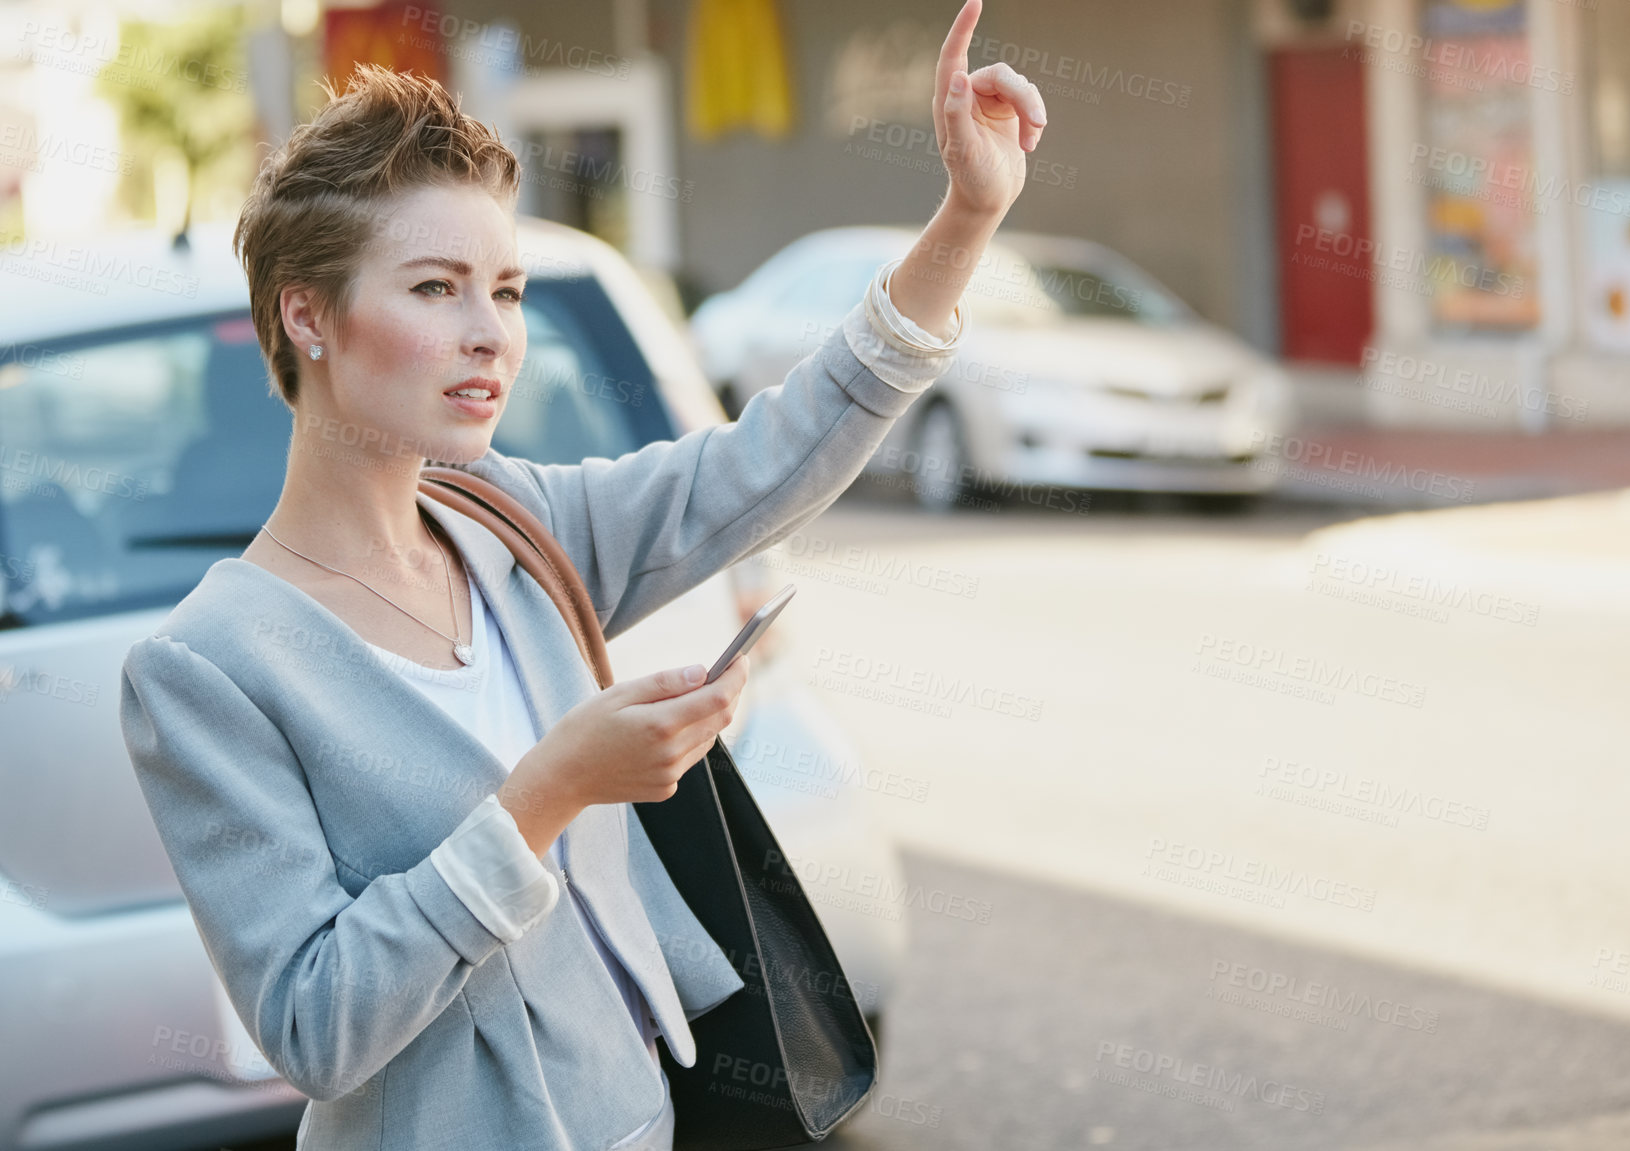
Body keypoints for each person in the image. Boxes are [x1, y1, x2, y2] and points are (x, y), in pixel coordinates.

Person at [117, 2, 1045, 1147]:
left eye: (504, 290)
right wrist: (547, 792)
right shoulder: (207, 666)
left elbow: (767, 462)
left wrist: (966, 214)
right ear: (306, 314)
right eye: (433, 287)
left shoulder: (512, 521)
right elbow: (312, 1023)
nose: (491, 334)